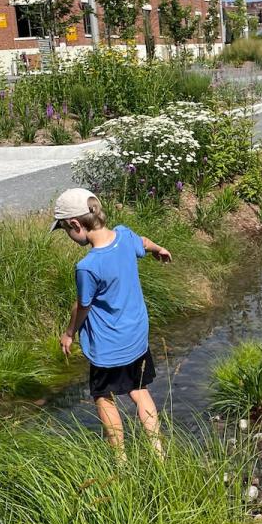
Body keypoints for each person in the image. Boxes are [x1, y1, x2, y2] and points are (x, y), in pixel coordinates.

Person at [53, 188, 171, 455]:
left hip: (108, 346)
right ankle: (159, 453)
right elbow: (143, 242)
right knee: (139, 390)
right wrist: (158, 249)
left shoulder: (88, 266)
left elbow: (83, 305)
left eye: (65, 230)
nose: (69, 236)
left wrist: (70, 332)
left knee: (103, 397)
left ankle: (120, 460)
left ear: (76, 225)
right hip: (137, 337)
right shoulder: (125, 236)